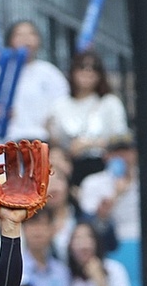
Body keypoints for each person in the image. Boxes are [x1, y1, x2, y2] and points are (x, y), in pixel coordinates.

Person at [47, 52, 129, 188]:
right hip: (71, 168)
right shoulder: (60, 105)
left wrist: (87, 144)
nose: (88, 72)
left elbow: (120, 139)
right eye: (82, 67)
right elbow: (55, 141)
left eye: (94, 68)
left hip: (104, 165)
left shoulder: (110, 102)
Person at [2, 20, 68, 143]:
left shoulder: (50, 73)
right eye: (19, 35)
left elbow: (62, 103)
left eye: (31, 34)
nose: (25, 39)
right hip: (8, 141)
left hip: (42, 140)